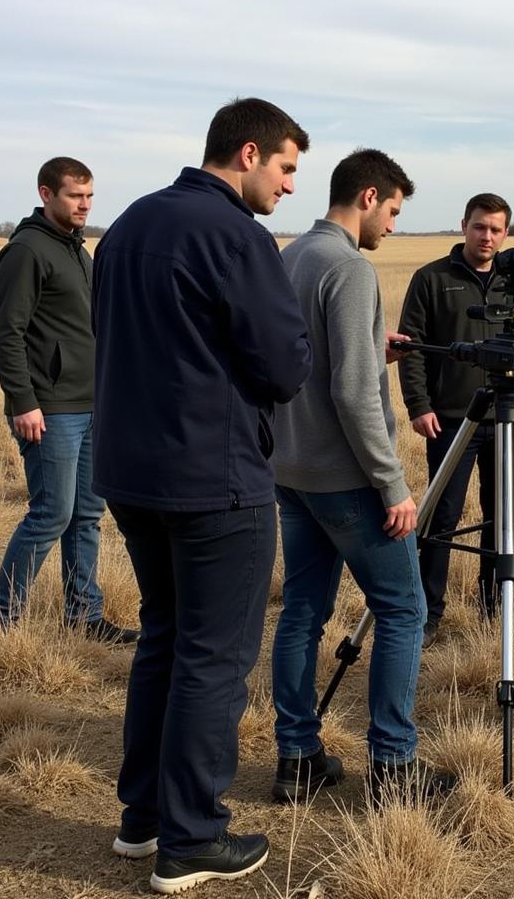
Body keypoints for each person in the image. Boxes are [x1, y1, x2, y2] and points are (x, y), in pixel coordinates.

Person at [91, 98, 312, 894]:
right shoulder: (236, 236)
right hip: (213, 479)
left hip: (130, 473)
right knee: (214, 657)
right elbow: (284, 368)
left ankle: (143, 818)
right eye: (287, 168)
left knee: (166, 636)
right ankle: (192, 838)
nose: (289, 187)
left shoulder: (126, 226)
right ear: (248, 153)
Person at [270, 148, 452, 806]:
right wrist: (392, 483)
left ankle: (297, 759)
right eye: (395, 211)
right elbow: (351, 392)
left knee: (302, 613)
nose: (394, 227)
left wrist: (374, 343)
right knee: (404, 609)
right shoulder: (348, 268)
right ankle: (395, 769)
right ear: (369, 196)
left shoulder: (291, 256)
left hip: (290, 470)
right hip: (345, 478)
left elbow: (302, 356)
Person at [0, 157, 138, 645]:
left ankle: (84, 616)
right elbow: (6, 333)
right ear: (47, 193)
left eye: (89, 196)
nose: (84, 205)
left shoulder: (77, 250)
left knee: (88, 515)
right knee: (51, 513)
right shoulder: (27, 250)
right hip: (49, 408)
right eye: (75, 196)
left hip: (91, 404)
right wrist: (23, 401)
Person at [396, 193, 514, 645]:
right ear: (464, 225)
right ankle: (428, 615)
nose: (487, 236)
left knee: (501, 516)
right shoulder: (432, 279)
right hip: (451, 419)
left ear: (506, 233)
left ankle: (495, 606)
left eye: (496, 229)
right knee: (441, 518)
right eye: (479, 227)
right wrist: (419, 405)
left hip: (509, 420)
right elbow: (411, 349)